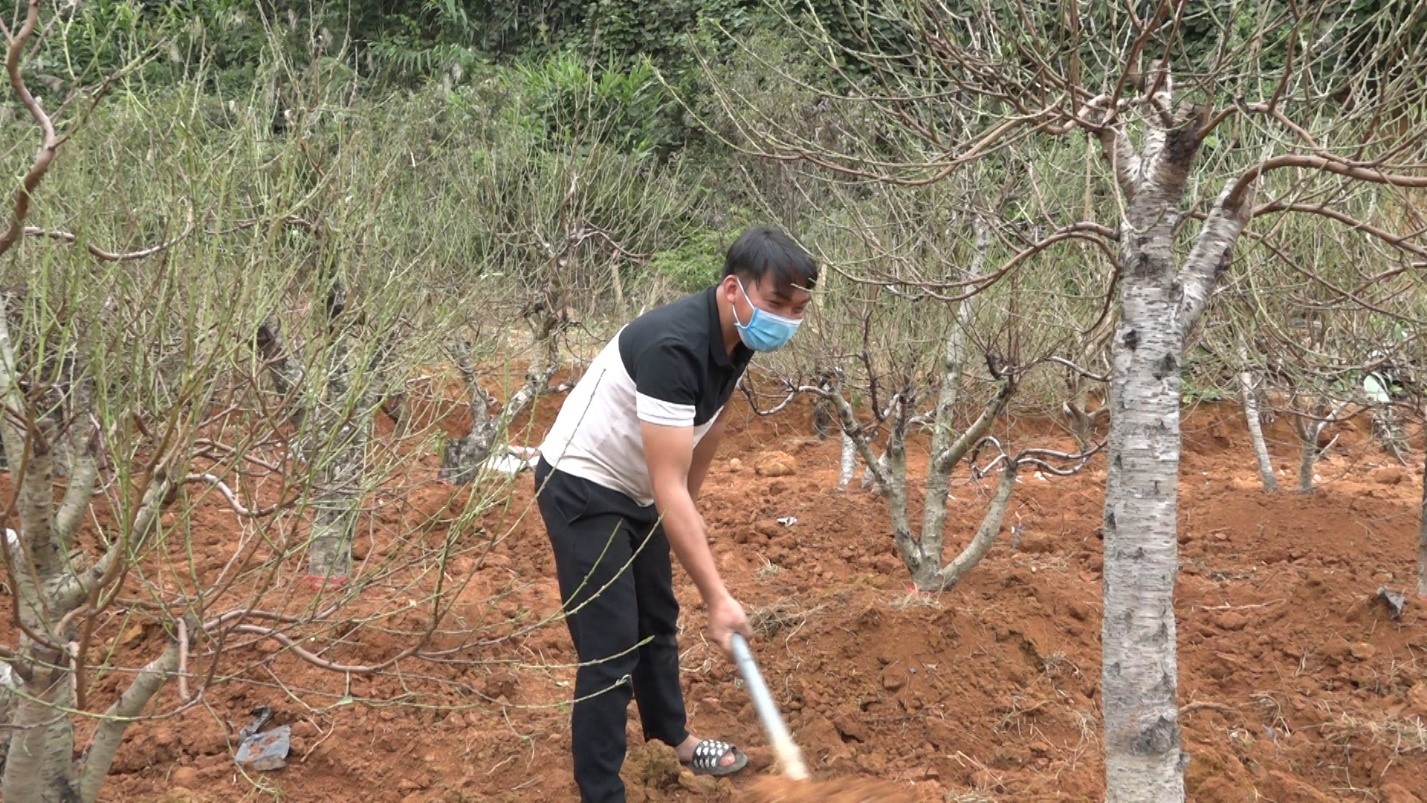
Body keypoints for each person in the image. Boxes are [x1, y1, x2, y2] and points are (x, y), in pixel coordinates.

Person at [532, 225, 817, 802]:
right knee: (610, 646)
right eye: (776, 303)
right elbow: (669, 485)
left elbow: (700, 437)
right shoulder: (673, 346)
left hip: (638, 491)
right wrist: (717, 597)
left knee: (657, 619)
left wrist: (689, 510)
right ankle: (602, 791)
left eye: (799, 308)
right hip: (583, 486)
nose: (786, 319)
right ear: (734, 289)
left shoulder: (738, 339)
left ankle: (672, 740)